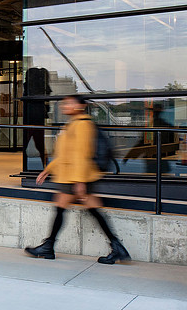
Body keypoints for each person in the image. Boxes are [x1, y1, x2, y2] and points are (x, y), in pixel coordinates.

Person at [25, 95, 130, 264]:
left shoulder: (82, 125)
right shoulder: (72, 124)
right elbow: (64, 153)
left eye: (69, 103)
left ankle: (48, 247)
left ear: (80, 106)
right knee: (89, 210)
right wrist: (47, 170)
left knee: (64, 208)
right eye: (65, 103)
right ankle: (117, 248)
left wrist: (79, 182)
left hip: (77, 177)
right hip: (75, 176)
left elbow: (82, 154)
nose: (64, 106)